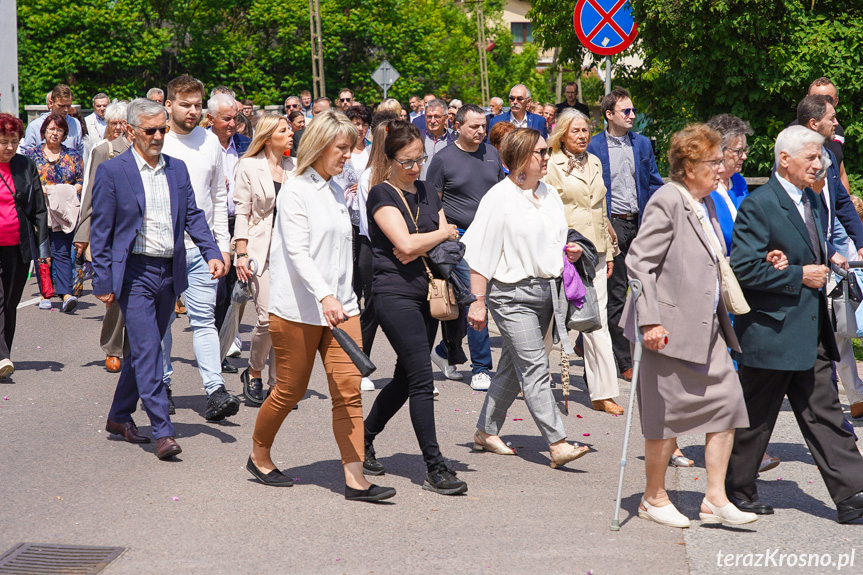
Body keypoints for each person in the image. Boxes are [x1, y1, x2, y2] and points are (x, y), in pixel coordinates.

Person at [246, 110, 395, 502]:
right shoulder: (296, 190)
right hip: (297, 310)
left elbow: (338, 251)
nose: (348, 155)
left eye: (350, 147)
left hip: (342, 309)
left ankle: (355, 479)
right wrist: (324, 295)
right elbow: (297, 252)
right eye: (341, 147)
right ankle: (259, 454)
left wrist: (344, 297)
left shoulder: (332, 187)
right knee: (290, 391)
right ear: (320, 145)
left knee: (349, 392)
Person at [726, 125, 863, 524]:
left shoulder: (814, 201)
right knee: (756, 416)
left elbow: (813, 248)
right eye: (812, 157)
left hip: (812, 329)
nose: (819, 164)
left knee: (824, 413)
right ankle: (736, 489)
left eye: (821, 157)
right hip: (773, 332)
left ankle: (854, 491)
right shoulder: (760, 204)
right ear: (784, 159)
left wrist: (828, 262)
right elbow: (743, 269)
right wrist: (799, 275)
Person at [622, 123, 755, 528]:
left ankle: (715, 498)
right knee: (666, 418)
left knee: (728, 405)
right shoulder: (668, 199)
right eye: (714, 161)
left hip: (707, 326)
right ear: (689, 165)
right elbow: (638, 262)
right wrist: (649, 321)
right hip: (666, 328)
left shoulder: (709, 201)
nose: (721, 168)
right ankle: (653, 497)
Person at [91, 98, 226, 460]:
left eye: (162, 129)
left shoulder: (176, 170)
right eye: (149, 130)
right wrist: (103, 281)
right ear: (131, 132)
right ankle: (163, 430)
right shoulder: (113, 171)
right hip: (134, 273)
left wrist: (213, 252)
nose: (157, 136)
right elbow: (101, 232)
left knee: (140, 351)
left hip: (169, 272)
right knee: (150, 350)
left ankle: (119, 416)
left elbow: (194, 217)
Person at [463, 127, 590, 469]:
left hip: (548, 293)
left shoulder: (548, 193)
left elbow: (554, 240)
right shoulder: (499, 198)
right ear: (519, 157)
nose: (548, 157)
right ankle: (558, 442)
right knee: (534, 367)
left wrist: (572, 251)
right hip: (510, 296)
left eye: (547, 151)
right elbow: (479, 253)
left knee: (512, 368)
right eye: (541, 152)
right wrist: (478, 301)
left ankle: (485, 431)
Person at [362, 120, 468, 495]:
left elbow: (428, 247)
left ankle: (363, 436)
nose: (414, 167)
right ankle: (435, 468)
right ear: (389, 159)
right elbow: (405, 246)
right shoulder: (381, 194)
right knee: (422, 378)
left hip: (429, 292)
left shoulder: (427, 191)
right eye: (407, 161)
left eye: (420, 158)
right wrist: (440, 233)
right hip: (393, 293)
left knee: (407, 378)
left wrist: (427, 239)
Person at [160, 74, 237, 420]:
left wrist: (221, 246)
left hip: (202, 248)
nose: (191, 112)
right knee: (161, 323)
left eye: (196, 106)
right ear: (168, 105)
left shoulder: (209, 142)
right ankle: (162, 385)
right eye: (184, 105)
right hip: (161, 249)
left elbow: (219, 197)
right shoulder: (157, 140)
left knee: (204, 319)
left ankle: (214, 390)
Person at [542, 109, 622, 415]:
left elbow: (601, 208)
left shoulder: (595, 161)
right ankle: (529, 376)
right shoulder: (551, 164)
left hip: (595, 252)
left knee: (596, 320)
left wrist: (609, 251)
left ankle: (603, 392)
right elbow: (547, 209)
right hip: (565, 251)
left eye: (586, 130)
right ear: (563, 134)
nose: (582, 136)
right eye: (575, 131)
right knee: (551, 319)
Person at [587, 86, 664, 382]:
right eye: (626, 111)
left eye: (633, 110)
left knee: (644, 288)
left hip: (640, 223)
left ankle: (641, 349)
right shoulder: (594, 147)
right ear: (609, 115)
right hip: (612, 225)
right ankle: (623, 362)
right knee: (617, 292)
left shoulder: (642, 144)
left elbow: (654, 182)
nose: (633, 115)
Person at [427, 104, 504, 391]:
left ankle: (446, 351)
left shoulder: (492, 154)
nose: (481, 131)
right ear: (457, 126)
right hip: (458, 239)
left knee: (471, 305)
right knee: (475, 299)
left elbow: (501, 193)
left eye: (483, 126)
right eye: (474, 126)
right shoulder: (443, 159)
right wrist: (447, 236)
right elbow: (433, 202)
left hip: (491, 235)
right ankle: (482, 367)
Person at [234, 115, 295, 403]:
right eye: (284, 130)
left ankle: (277, 385)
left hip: (291, 255)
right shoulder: (248, 165)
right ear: (268, 137)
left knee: (286, 323)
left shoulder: (295, 167)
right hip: (260, 253)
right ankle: (254, 370)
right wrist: (241, 253)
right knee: (268, 320)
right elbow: (242, 212)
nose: (291, 132)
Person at [75, 101, 131, 373]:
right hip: (113, 233)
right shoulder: (103, 151)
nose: (121, 127)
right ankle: (113, 348)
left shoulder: (153, 149)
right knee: (116, 295)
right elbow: (91, 194)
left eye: (124, 122)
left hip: (143, 232)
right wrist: (83, 232)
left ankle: (134, 349)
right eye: (116, 123)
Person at [0, 114, 51, 378]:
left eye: (14, 141)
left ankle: (4, 351)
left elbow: (39, 210)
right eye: (4, 141)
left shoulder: (26, 166)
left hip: (18, 246)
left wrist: (44, 252)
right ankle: (2, 357)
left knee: (10, 302)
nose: (10, 147)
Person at [207, 93, 252, 370]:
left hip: (240, 224)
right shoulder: (202, 145)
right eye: (226, 118)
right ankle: (211, 350)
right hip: (212, 225)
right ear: (211, 119)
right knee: (217, 292)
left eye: (236, 117)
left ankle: (220, 352)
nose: (233, 123)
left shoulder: (246, 146)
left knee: (236, 291)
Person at [355, 111, 399, 391]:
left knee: (406, 311)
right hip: (374, 249)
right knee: (372, 310)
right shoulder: (368, 177)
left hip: (403, 248)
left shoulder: (404, 174)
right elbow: (365, 222)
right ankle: (360, 368)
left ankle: (411, 369)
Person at [24, 113, 83, 313]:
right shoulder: (31, 155)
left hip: (63, 211)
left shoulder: (73, 155)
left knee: (63, 252)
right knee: (42, 254)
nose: (55, 133)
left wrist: (64, 192)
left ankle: (66, 293)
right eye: (51, 129)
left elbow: (81, 182)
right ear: (44, 132)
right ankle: (45, 293)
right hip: (39, 210)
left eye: (59, 129)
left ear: (65, 133)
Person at [795, 95, 863, 260]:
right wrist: (830, 251)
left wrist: (861, 242)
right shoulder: (793, 161)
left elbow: (843, 204)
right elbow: (797, 215)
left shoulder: (830, 157)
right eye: (831, 118)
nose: (836, 123)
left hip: (825, 257)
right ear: (813, 123)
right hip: (801, 259)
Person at [789, 77, 850, 194]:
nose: (822, 103)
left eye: (828, 98)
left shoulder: (837, 131)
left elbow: (841, 174)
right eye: (816, 98)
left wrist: (847, 208)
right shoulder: (793, 133)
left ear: (836, 101)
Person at [707, 114, 753, 249]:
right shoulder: (705, 187)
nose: (744, 156)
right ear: (719, 150)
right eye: (738, 151)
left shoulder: (739, 181)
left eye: (745, 150)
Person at [22, 84, 84, 155]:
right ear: (51, 103)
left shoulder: (75, 123)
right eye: (61, 106)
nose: (66, 110)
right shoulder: (35, 126)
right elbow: (26, 154)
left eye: (68, 105)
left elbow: (79, 152)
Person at [415, 99, 453, 181]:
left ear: (446, 118)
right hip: (420, 190)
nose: (432, 121)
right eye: (429, 116)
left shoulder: (454, 142)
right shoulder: (416, 138)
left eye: (437, 117)